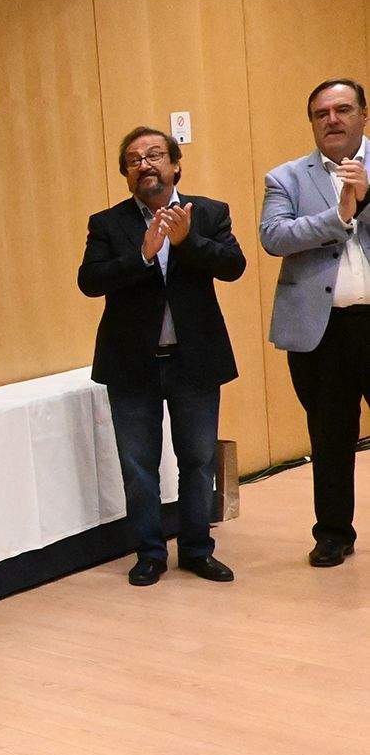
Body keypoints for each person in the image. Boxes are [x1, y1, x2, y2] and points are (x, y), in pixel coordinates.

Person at [78, 127, 245, 587]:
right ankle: (149, 553)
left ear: (175, 165)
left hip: (195, 362)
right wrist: (143, 256)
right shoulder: (107, 223)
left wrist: (189, 241)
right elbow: (90, 281)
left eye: (154, 155)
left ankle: (196, 550)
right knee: (138, 465)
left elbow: (234, 267)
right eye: (134, 160)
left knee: (196, 460)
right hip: (132, 364)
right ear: (126, 174)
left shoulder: (208, 212)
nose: (145, 164)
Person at [262, 78, 370, 567]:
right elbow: (275, 236)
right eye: (321, 113)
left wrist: (364, 200)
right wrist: (340, 213)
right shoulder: (285, 177)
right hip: (320, 330)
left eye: (343, 109)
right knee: (329, 436)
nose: (333, 120)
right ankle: (332, 534)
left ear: (363, 115)